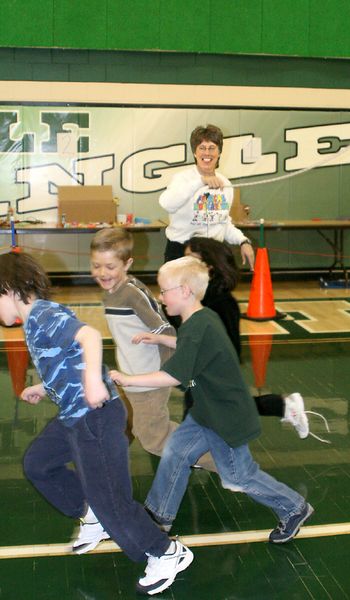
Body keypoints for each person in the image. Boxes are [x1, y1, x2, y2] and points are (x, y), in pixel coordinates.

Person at [0, 251, 193, 596]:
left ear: (10, 289)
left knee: (113, 500)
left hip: (96, 417)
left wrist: (93, 380)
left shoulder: (42, 314)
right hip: (75, 416)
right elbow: (67, 359)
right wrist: (43, 386)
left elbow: (88, 337)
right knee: (39, 463)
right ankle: (90, 514)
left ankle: (167, 553)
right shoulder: (35, 321)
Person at [110, 256, 314, 543]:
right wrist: (161, 340)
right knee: (176, 453)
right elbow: (189, 345)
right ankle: (158, 517)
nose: (160, 296)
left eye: (164, 290)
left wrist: (128, 379)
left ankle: (293, 508)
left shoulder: (198, 327)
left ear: (185, 291)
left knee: (238, 476)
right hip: (206, 412)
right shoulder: (203, 318)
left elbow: (172, 376)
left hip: (223, 418)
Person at [133, 236, 328, 441]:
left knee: (210, 403)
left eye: (191, 258)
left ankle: (194, 449)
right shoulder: (198, 298)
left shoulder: (219, 301)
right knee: (210, 403)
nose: (185, 263)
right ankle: (282, 407)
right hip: (205, 365)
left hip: (214, 367)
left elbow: (217, 343)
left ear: (209, 266)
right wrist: (164, 335)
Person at [89, 227, 216, 472]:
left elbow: (167, 331)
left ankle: (221, 460)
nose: (102, 273)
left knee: (153, 439)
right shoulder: (113, 292)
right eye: (96, 266)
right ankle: (106, 465)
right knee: (133, 426)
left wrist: (167, 373)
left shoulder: (133, 294)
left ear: (127, 264)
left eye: (110, 267)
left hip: (147, 381)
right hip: (132, 377)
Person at [159, 124, 255, 270]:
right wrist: (200, 181)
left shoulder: (225, 184)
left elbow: (222, 223)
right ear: (195, 153)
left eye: (212, 148)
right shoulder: (182, 179)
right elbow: (166, 203)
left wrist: (243, 241)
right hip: (181, 253)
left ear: (219, 152)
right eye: (202, 148)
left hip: (212, 254)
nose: (207, 153)